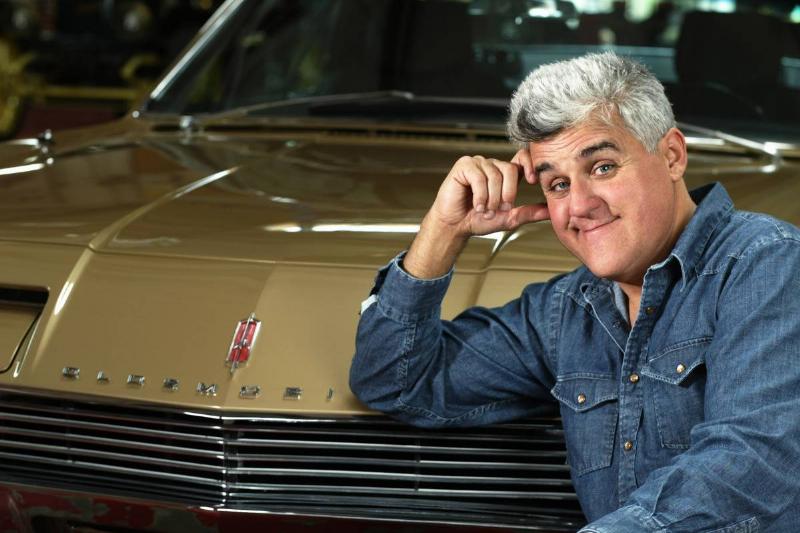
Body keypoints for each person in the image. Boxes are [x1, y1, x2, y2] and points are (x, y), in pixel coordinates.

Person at [349, 52, 800, 531]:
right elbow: (394, 381)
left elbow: (752, 462)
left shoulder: (768, 265)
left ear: (672, 155)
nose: (579, 206)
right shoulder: (568, 310)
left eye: (603, 166)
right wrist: (443, 230)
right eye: (558, 183)